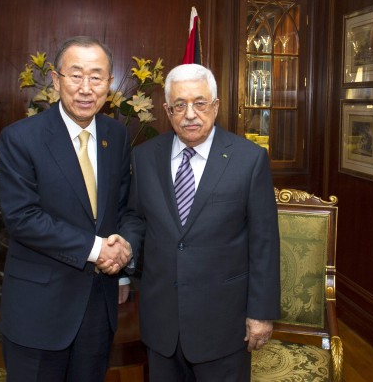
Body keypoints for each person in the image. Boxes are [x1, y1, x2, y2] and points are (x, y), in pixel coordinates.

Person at [119, 63, 281, 382]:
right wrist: (123, 253)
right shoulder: (145, 156)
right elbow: (135, 218)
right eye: (180, 105)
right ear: (167, 110)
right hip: (162, 322)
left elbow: (264, 241)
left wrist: (261, 313)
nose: (190, 114)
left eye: (200, 103)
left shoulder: (249, 160)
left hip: (224, 324)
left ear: (215, 106)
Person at [0, 36, 133, 382]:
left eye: (96, 77)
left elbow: (124, 207)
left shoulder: (116, 136)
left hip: (97, 304)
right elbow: (22, 218)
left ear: (110, 85)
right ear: (56, 80)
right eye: (75, 76)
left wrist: (123, 261)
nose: (86, 88)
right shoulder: (20, 138)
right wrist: (97, 248)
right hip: (39, 309)